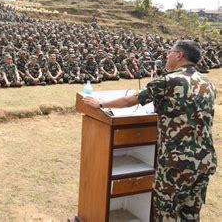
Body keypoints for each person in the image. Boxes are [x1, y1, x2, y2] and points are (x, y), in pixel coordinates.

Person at [83, 40, 217, 221]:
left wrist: (100, 103)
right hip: (204, 160)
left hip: (176, 162)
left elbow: (131, 100)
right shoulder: (207, 82)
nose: (167, 56)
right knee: (190, 213)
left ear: (179, 55)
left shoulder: (168, 80)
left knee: (166, 211)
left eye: (170, 52)